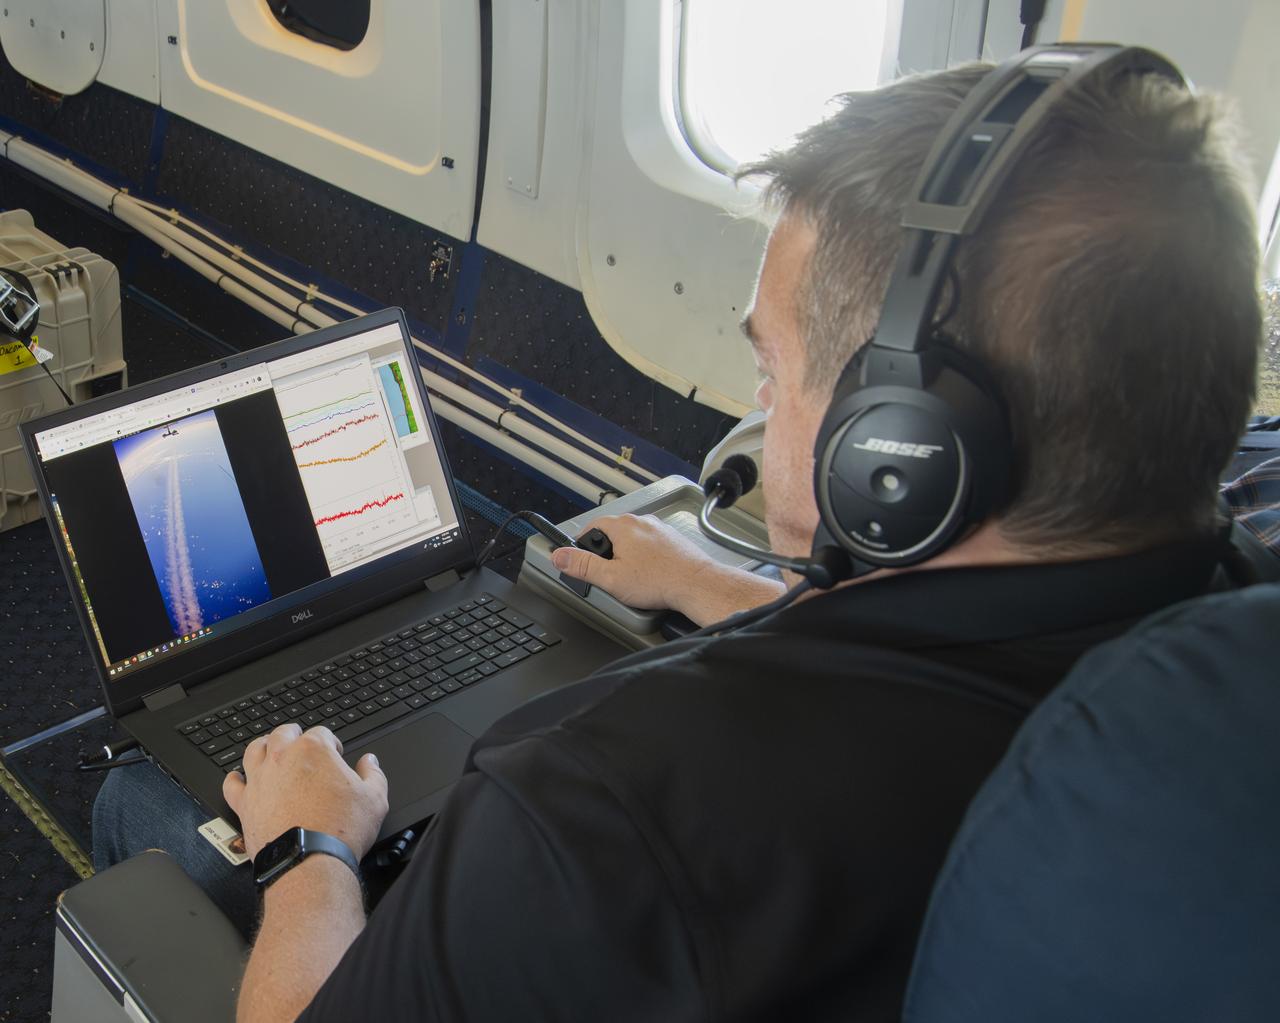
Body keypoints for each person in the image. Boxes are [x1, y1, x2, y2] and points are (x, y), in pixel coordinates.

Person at [95, 60, 1265, 1021]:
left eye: (772, 370)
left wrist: (310, 850)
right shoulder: (1219, 629)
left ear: (898, 450)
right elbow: (937, 652)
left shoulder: (595, 804)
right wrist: (714, 584)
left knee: (144, 811)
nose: (749, 411)